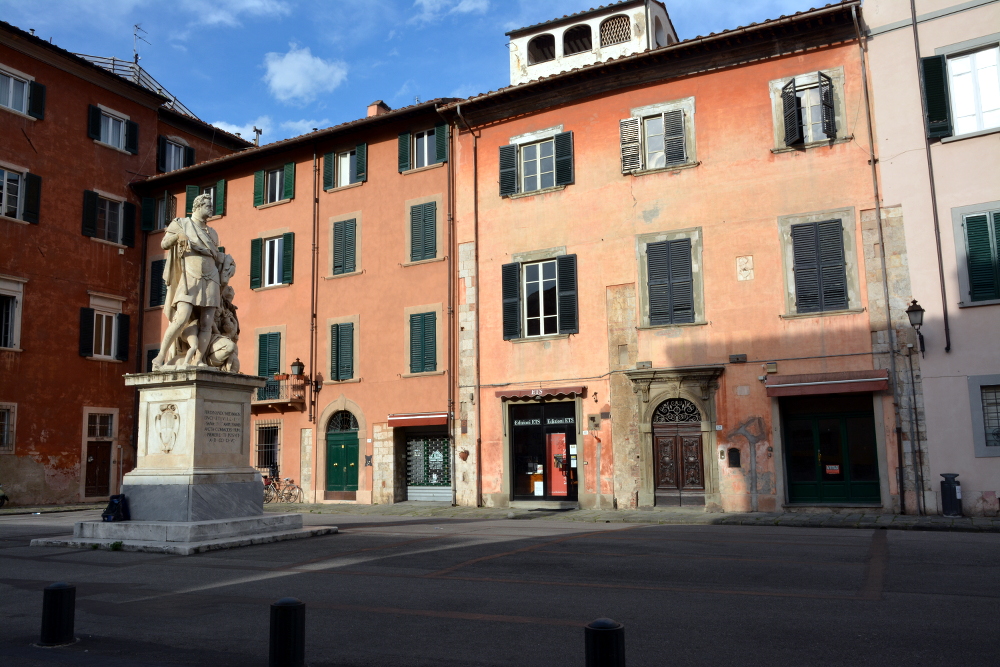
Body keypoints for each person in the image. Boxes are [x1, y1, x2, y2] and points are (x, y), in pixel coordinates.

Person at [150, 193, 224, 370]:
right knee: (181, 317)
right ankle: (159, 358)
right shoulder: (181, 224)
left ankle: (198, 360)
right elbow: (164, 244)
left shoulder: (212, 233)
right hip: (189, 275)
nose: (211, 209)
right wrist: (178, 237)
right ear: (198, 206)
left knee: (207, 322)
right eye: (208, 205)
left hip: (211, 276)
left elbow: (217, 256)